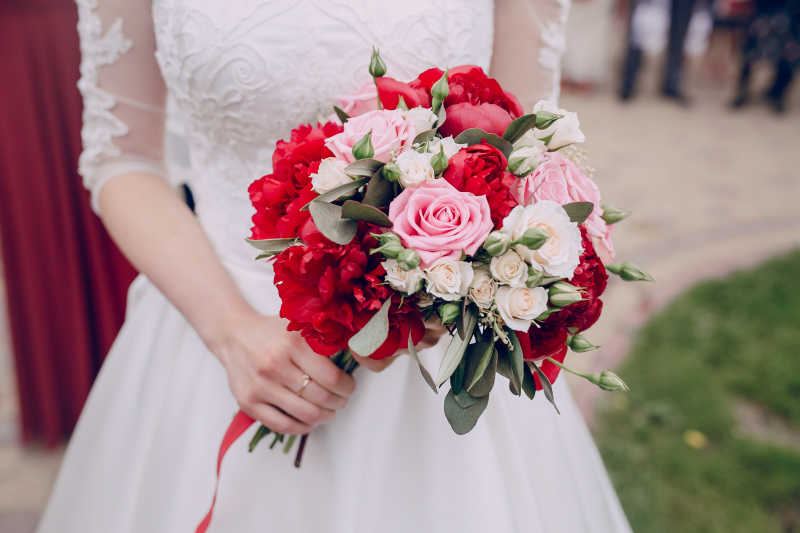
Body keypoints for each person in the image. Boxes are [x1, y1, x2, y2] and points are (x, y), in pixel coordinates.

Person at [38, 1, 632, 531]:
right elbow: (121, 157)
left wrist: (446, 287)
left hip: (425, 354)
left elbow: (524, 159)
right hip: (208, 326)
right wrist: (232, 332)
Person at [730, 0, 800, 113]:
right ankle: (742, 92)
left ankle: (777, 94)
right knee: (749, 56)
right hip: (762, 13)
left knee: (788, 57)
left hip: (790, 15)